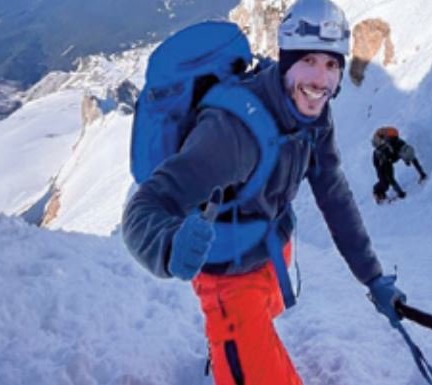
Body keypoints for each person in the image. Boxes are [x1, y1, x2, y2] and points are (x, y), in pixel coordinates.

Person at [122, 1, 406, 384]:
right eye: (308, 60)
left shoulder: (315, 116)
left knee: (262, 322)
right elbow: (145, 206)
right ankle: (228, 343)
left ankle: (236, 349)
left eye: (332, 65)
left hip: (270, 251)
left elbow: (333, 193)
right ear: (286, 60)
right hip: (228, 279)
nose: (320, 80)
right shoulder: (232, 134)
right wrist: (169, 245)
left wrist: (372, 277)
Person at [372, 126, 428, 203]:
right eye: (406, 159)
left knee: (388, 178)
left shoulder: (404, 146)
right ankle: (377, 192)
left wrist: (422, 174)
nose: (407, 161)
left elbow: (413, 159)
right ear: (401, 155)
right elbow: (390, 177)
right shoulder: (387, 153)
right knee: (385, 182)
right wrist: (400, 193)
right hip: (379, 159)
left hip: (390, 155)